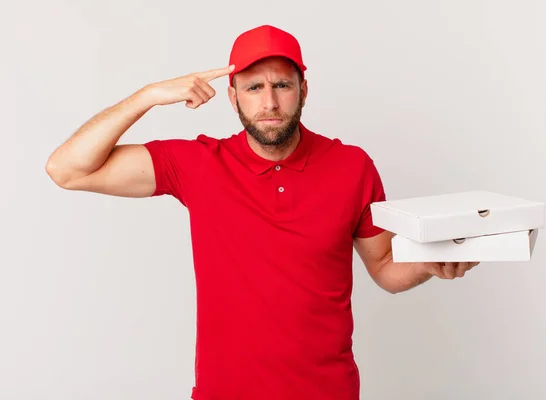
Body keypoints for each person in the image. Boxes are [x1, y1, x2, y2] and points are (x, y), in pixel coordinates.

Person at [46, 24, 479, 400]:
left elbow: (384, 266)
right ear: (233, 97)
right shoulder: (197, 164)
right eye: (254, 87)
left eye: (282, 85)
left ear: (303, 90)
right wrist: (149, 96)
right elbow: (66, 169)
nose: (269, 102)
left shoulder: (352, 166)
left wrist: (426, 264)